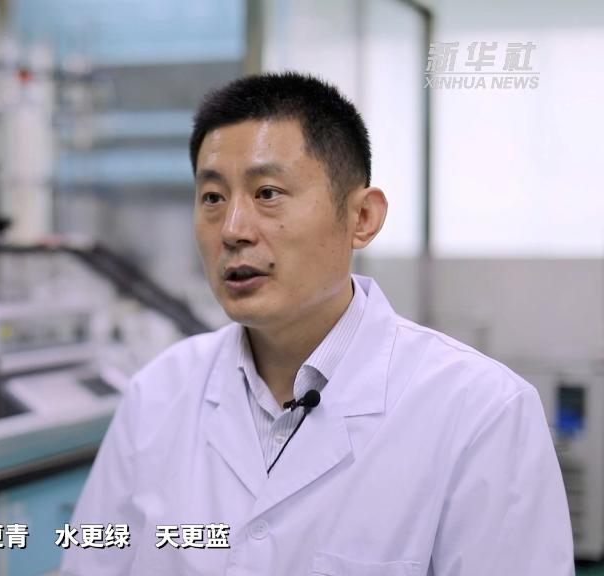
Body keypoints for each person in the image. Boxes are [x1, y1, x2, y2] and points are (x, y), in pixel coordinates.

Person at [60, 72, 573, 575]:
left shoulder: (482, 411)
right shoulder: (157, 393)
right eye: (213, 197)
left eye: (267, 193)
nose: (233, 230)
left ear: (362, 218)